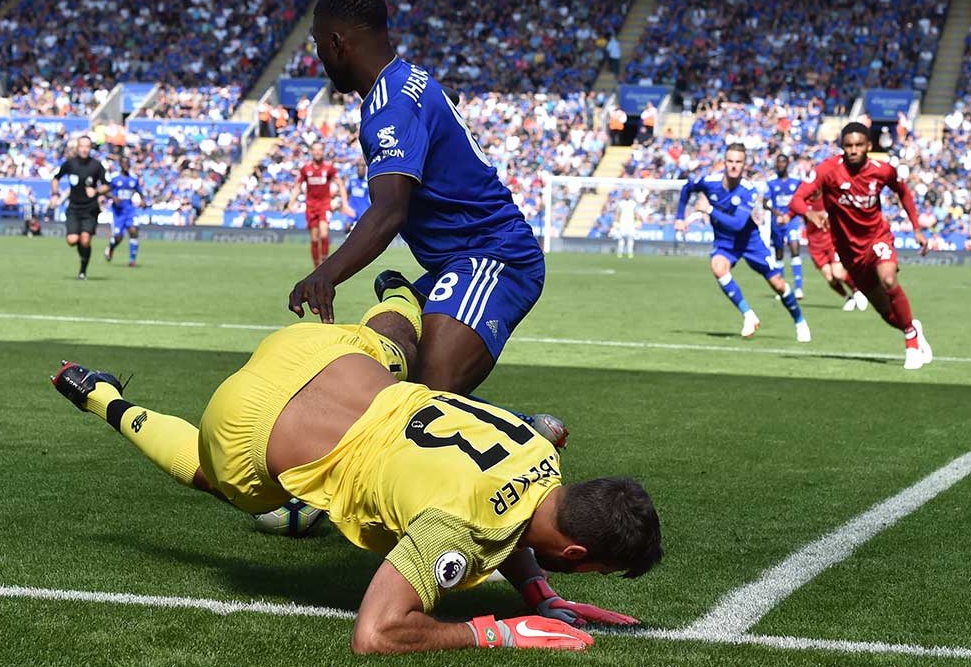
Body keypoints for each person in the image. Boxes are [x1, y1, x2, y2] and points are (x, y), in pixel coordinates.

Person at [52, 277, 661, 655]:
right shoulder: (455, 533)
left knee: (394, 351)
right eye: (596, 572)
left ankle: (397, 292)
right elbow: (376, 634)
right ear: (578, 555)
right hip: (245, 426)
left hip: (318, 351)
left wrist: (538, 593)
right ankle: (102, 398)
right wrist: (499, 631)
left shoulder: (541, 448)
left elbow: (518, 510)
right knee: (214, 478)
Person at [289, 0, 551, 413]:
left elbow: (391, 209)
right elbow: (444, 97)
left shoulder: (389, 108)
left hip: (494, 256)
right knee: (394, 381)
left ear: (337, 42)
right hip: (459, 261)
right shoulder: (408, 79)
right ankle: (408, 295)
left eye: (319, 45)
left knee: (431, 396)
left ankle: (525, 430)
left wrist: (326, 274)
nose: (318, 57)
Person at [789, 122, 932, 370]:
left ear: (868, 146)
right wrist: (810, 214)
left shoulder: (883, 170)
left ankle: (910, 340)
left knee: (888, 280)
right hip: (849, 252)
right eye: (848, 146)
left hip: (877, 238)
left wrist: (917, 228)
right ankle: (912, 327)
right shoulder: (828, 170)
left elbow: (903, 192)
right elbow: (797, 200)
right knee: (885, 312)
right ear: (842, 147)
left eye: (858, 145)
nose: (853, 150)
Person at [676, 143, 810, 342]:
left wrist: (710, 210)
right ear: (724, 162)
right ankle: (749, 315)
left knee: (778, 285)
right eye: (730, 161)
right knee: (718, 267)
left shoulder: (748, 190)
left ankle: (799, 320)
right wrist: (680, 217)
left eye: (738, 162)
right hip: (725, 242)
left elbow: (738, 224)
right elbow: (687, 188)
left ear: (744, 165)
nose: (733, 166)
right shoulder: (709, 181)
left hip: (750, 241)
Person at [797, 193, 867, 312]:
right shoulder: (804, 202)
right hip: (815, 247)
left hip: (831, 242)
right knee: (830, 278)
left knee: (838, 273)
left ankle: (857, 291)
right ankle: (848, 298)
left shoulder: (827, 197)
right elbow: (792, 210)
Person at [51, 136, 109, 280]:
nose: (84, 149)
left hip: (90, 209)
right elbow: (56, 178)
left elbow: (107, 185)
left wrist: (96, 191)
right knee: (72, 240)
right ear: (77, 147)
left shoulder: (96, 165)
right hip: (74, 208)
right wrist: (54, 194)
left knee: (85, 240)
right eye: (82, 146)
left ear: (90, 148)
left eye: (87, 146)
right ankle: (82, 252)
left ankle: (83, 271)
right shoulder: (70, 164)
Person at [295, 141, 348, 268]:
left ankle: (324, 265)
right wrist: (291, 203)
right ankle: (316, 267)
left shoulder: (329, 168)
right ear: (312, 152)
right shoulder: (305, 169)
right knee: (314, 238)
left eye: (320, 150)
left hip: (324, 205)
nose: (317, 152)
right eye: (315, 150)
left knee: (324, 233)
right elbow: (297, 187)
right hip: (311, 206)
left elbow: (340, 184)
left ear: (323, 152)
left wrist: (344, 203)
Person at [765, 154, 805, 298]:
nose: (780, 164)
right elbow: (765, 203)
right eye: (778, 162)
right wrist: (776, 213)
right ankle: (781, 289)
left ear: (788, 163)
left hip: (791, 221)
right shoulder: (771, 183)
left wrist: (796, 214)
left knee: (795, 249)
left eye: (783, 162)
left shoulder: (796, 181)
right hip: (777, 223)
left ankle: (799, 288)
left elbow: (802, 199)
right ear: (776, 164)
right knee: (779, 255)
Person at [105, 158, 146, 267]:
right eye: (124, 163)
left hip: (130, 210)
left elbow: (140, 191)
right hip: (117, 212)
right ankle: (111, 247)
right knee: (118, 237)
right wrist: (113, 197)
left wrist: (143, 201)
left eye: (128, 163)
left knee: (133, 231)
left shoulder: (133, 178)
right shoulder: (114, 178)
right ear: (120, 165)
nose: (126, 165)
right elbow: (105, 191)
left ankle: (132, 260)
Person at [346, 162, 371, 231]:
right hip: (352, 207)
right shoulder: (352, 180)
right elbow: (348, 192)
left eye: (362, 170)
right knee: (347, 227)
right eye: (359, 170)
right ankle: (347, 240)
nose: (360, 171)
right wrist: (347, 204)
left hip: (363, 208)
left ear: (365, 171)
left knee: (363, 229)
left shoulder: (368, 181)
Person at [616, 190, 637, 258]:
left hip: (631, 223)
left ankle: (630, 253)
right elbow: (618, 214)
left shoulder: (633, 203)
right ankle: (620, 253)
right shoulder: (620, 203)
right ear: (623, 194)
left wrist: (638, 221)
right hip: (622, 223)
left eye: (628, 193)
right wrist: (616, 222)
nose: (627, 195)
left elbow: (635, 213)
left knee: (630, 238)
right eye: (625, 193)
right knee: (621, 238)